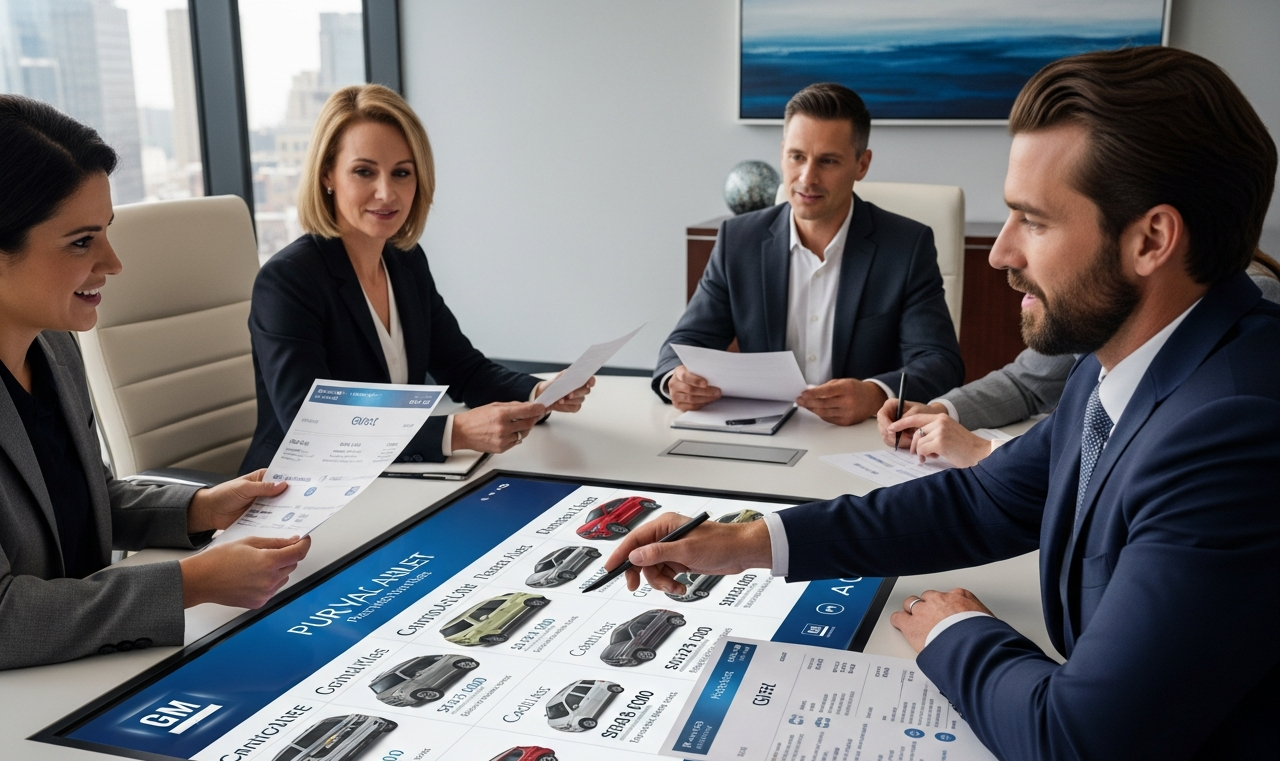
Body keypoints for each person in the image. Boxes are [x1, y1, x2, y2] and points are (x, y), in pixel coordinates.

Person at [609, 48, 1279, 761]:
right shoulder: (1124, 362)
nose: (999, 253)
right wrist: (738, 543)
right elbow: (977, 502)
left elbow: (1085, 754)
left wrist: (955, 632)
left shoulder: (1234, 425)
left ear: (1151, 238)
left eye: (1032, 221)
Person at [0, 97, 311, 670]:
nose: (114, 262)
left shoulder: (52, 345)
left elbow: (85, 497)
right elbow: (5, 618)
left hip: (86, 666)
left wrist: (201, 507)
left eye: (107, 233)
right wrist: (189, 584)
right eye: (81, 241)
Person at [242, 85, 592, 473]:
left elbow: (462, 368)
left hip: (387, 479)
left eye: (402, 173)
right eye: (364, 172)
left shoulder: (404, 262)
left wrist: (538, 392)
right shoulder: (289, 281)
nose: (386, 192)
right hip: (296, 493)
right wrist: (453, 432)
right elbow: (314, 426)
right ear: (327, 174)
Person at [651, 83, 963, 425]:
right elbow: (685, 342)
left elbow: (940, 362)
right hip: (763, 435)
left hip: (861, 439)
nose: (807, 177)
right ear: (783, 152)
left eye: (828, 161)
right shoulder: (738, 240)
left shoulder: (906, 245)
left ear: (862, 164)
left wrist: (875, 394)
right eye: (797, 156)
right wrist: (675, 379)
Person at [876, 252, 1280, 467]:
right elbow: (1028, 380)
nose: (1000, 256)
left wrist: (988, 450)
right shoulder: (1103, 300)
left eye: (1039, 221)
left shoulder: (1247, 304)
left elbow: (1135, 460)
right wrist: (940, 411)